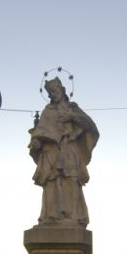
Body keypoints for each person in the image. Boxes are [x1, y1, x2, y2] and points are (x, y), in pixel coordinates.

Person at [28, 77, 99, 227]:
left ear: (62, 91)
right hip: (51, 152)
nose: (53, 94)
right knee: (51, 182)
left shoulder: (72, 108)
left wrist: (72, 117)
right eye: (51, 92)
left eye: (55, 91)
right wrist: (36, 142)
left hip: (69, 149)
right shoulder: (47, 111)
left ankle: (72, 216)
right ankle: (50, 217)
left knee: (70, 182)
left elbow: (90, 126)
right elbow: (40, 131)